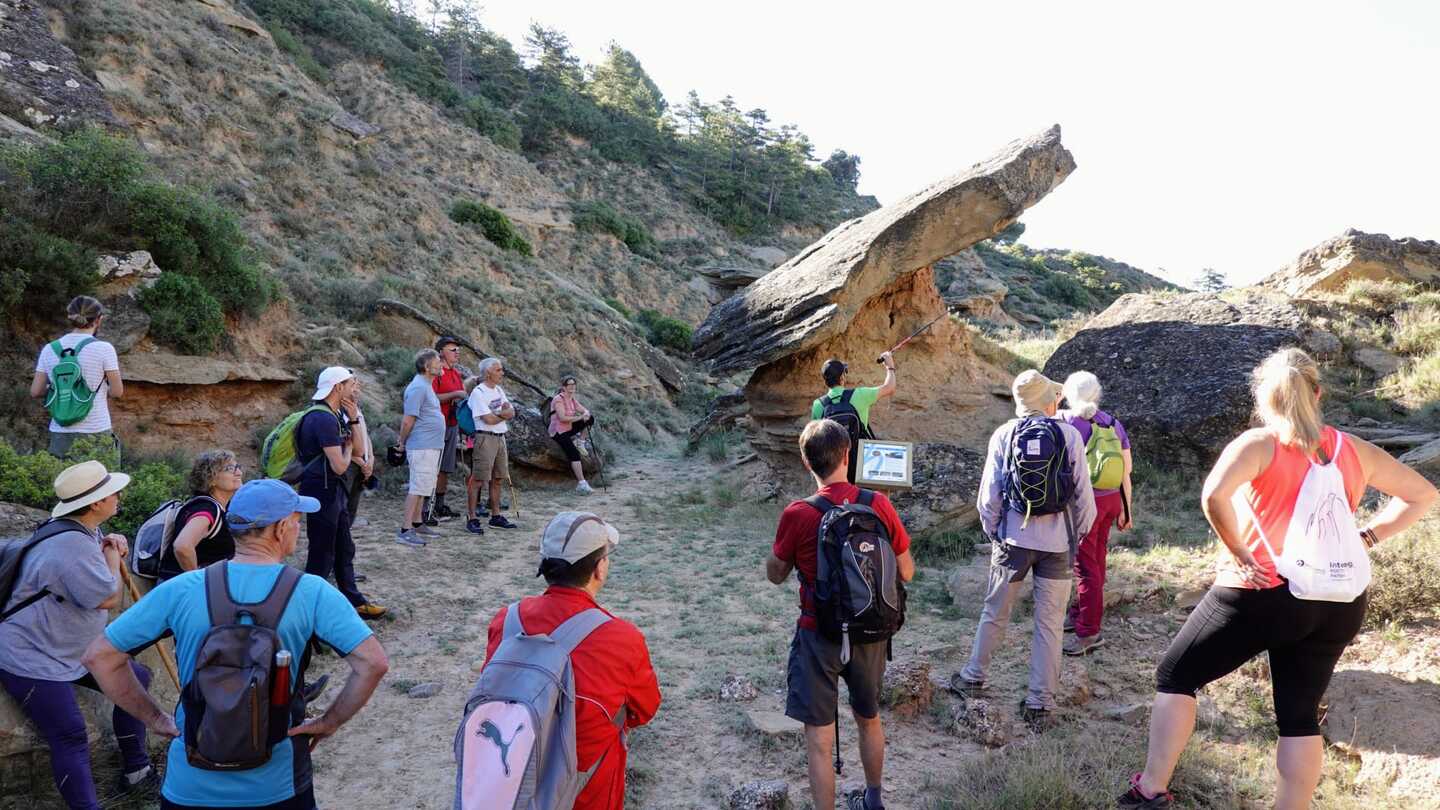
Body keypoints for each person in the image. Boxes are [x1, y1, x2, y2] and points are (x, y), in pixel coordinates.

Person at [1118, 348, 1437, 810]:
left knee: (1176, 675)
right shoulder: (1352, 450)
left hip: (1264, 589)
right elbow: (1422, 494)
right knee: (1298, 715)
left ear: (1264, 399)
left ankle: (1150, 790)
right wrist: (1364, 536)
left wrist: (1240, 552)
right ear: (1318, 392)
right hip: (1338, 597)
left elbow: (1214, 497)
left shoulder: (1259, 444)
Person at [83, 478, 391, 810]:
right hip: (278, 785)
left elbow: (100, 657)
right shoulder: (311, 591)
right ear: (281, 528)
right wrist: (329, 722)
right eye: (297, 522)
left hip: (189, 787)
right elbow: (373, 663)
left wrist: (156, 719)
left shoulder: (183, 589)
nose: (297, 530)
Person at [766, 419, 915, 810]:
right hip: (871, 630)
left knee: (819, 738)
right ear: (848, 454)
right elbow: (907, 571)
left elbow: (775, 574)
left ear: (805, 461)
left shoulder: (798, 513)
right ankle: (875, 799)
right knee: (869, 718)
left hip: (819, 633)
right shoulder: (877, 504)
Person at [478, 511, 660, 810]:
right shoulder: (622, 638)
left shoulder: (507, 621)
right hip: (585, 792)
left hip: (510, 781)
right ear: (599, 568)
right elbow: (644, 710)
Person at [0, 460, 157, 808]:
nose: (118, 494)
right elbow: (107, 597)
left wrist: (108, 543)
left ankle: (136, 771)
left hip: (71, 650)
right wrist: (113, 557)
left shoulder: (81, 529)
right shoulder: (70, 546)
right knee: (70, 734)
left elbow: (97, 557)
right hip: (32, 656)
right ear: (96, 503)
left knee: (137, 681)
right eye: (111, 491)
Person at [953, 370, 1096, 729]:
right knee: (1048, 623)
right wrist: (1076, 535)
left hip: (1013, 542)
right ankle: (1039, 704)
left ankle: (973, 677)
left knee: (995, 612)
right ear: (1048, 401)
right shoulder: (1069, 434)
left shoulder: (1004, 434)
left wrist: (995, 533)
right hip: (1058, 545)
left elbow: (989, 496)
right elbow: (1084, 496)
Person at [297, 367, 385, 618]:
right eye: (350, 384)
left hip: (333, 490)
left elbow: (357, 448)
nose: (353, 387)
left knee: (344, 547)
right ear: (338, 387)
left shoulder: (335, 414)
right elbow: (340, 463)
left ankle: (354, 601)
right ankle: (308, 611)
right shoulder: (322, 418)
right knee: (321, 554)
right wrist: (346, 451)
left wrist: (354, 418)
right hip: (322, 491)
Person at [1058, 371, 1134, 656]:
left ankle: (1089, 633)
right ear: (1097, 393)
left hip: (1086, 505)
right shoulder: (1113, 423)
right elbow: (1126, 471)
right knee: (1096, 559)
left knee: (1085, 566)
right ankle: (1080, 614)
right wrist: (1128, 509)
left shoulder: (1066, 423)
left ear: (1067, 394)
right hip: (1112, 500)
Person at [30, 295, 123, 459]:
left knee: (64, 482)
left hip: (60, 431)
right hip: (96, 428)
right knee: (100, 483)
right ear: (99, 319)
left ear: (70, 317)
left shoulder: (50, 349)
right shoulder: (103, 348)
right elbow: (117, 392)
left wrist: (63, 388)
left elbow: (36, 391)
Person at [156, 448, 243, 582]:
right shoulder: (207, 509)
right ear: (211, 479)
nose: (238, 472)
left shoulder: (219, 507)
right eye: (230, 469)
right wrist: (198, 582)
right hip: (182, 591)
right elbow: (182, 546)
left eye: (238, 467)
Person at [811, 352, 897, 483]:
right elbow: (890, 387)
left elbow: (814, 439)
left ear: (825, 380)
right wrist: (889, 366)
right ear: (842, 377)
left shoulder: (818, 405)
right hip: (862, 464)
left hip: (834, 469)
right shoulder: (859, 395)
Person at [398, 349, 446, 546]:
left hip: (429, 445)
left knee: (424, 486)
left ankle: (417, 523)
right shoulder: (418, 387)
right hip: (421, 446)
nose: (441, 364)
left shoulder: (426, 386)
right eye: (437, 362)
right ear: (427, 367)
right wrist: (401, 443)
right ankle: (405, 529)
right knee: (417, 486)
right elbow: (408, 420)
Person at [465, 357, 518, 533]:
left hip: (500, 437)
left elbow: (510, 410)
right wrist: (503, 414)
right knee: (478, 479)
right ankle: (471, 518)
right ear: (488, 373)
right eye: (498, 370)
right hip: (485, 438)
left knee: (498, 478)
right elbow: (487, 419)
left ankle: (495, 516)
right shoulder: (478, 393)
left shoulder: (498, 389)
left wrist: (500, 414)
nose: (502, 373)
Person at [429, 336, 469, 521]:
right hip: (436, 425)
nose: (457, 352)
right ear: (441, 352)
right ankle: (426, 506)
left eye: (457, 350)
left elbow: (461, 396)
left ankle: (439, 504)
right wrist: (454, 394)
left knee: (445, 467)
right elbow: (431, 398)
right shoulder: (436, 373)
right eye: (453, 349)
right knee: (432, 466)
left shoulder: (455, 374)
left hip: (452, 424)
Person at [549, 375, 596, 494]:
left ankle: (580, 442)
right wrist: (580, 417)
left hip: (568, 427)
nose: (572, 387)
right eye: (569, 385)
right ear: (563, 387)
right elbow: (563, 418)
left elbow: (584, 410)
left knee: (590, 419)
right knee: (574, 454)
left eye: (573, 385)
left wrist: (586, 414)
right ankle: (582, 484)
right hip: (558, 431)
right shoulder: (558, 399)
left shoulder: (572, 399)